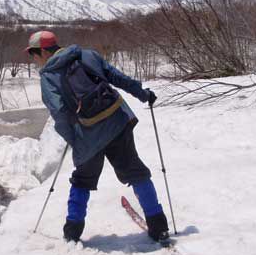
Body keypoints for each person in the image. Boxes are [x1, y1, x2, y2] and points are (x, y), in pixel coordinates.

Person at [26, 30, 169, 243]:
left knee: (82, 180)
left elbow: (60, 113)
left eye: (33, 54)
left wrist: (74, 139)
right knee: (135, 171)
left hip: (87, 135)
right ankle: (158, 226)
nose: (33, 59)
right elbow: (117, 78)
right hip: (117, 121)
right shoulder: (87, 55)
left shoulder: (49, 76)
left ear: (44, 51)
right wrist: (143, 94)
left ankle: (72, 231)